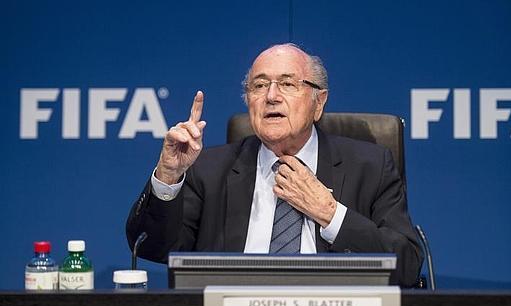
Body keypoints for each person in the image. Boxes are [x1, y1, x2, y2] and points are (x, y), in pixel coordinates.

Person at [126, 43, 423, 287]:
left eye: (287, 83)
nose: (271, 96)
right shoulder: (208, 170)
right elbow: (152, 246)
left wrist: (331, 214)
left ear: (318, 102)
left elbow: (407, 266)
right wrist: (169, 174)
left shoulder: (370, 166)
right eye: (259, 85)